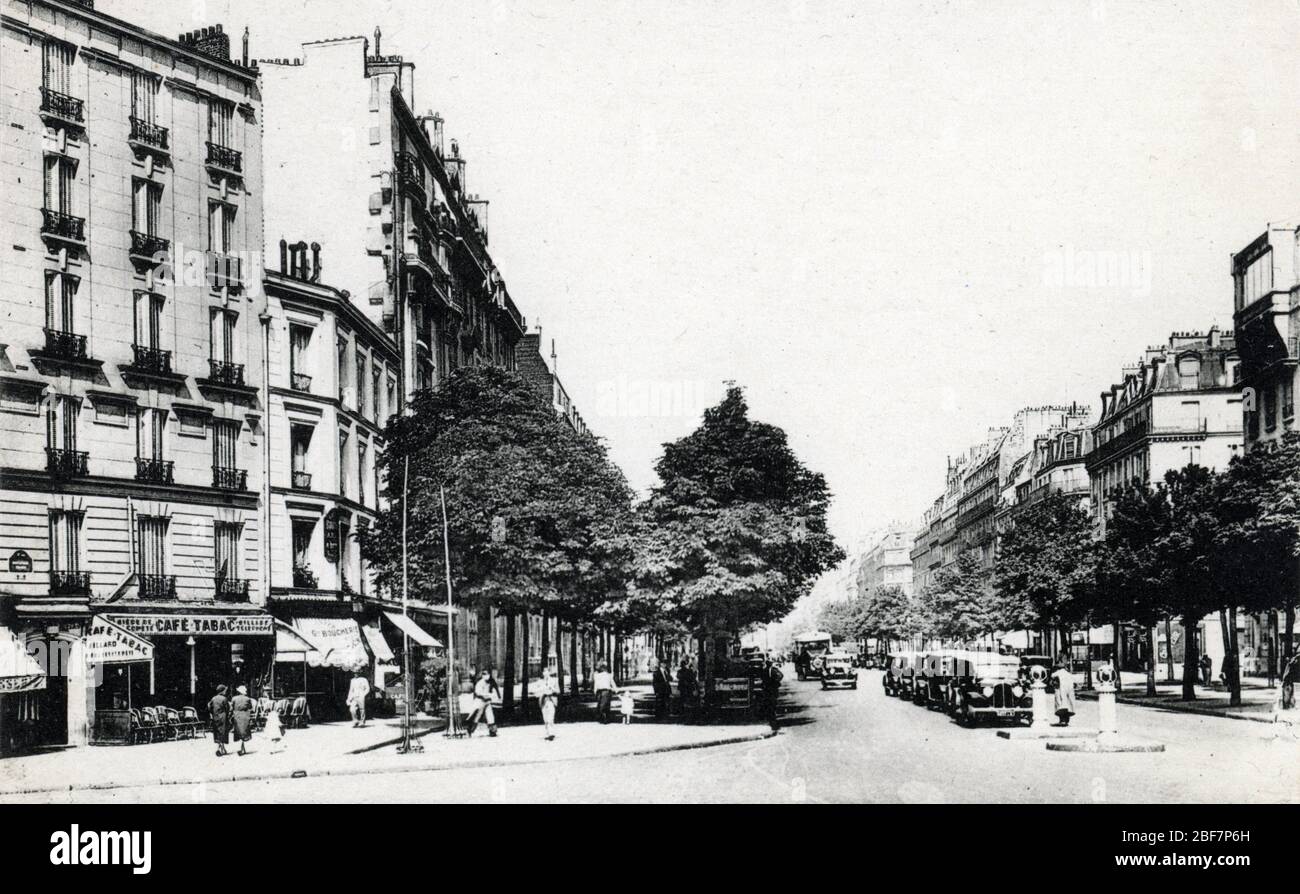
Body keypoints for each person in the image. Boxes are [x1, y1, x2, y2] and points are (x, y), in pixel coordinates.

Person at [467, 669, 498, 737]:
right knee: (476, 716)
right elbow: (478, 692)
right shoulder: (480, 683)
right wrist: (486, 695)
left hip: (487, 702)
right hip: (480, 702)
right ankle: (470, 730)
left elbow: (493, 691)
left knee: (490, 716)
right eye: (485, 674)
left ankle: (493, 731)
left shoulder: (490, 682)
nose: (487, 676)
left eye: (488, 674)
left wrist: (490, 695)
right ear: (482, 675)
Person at [207, 684, 231, 757]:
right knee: (223, 732)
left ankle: (222, 748)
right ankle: (219, 749)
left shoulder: (213, 698)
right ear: (222, 691)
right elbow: (228, 708)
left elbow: (209, 707)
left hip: (215, 717)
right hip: (223, 717)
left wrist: (213, 713)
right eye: (225, 690)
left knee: (217, 732)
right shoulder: (224, 699)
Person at [230, 684, 254, 756]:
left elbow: (231, 708)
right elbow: (250, 707)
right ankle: (242, 748)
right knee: (244, 731)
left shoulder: (234, 698)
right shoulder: (247, 699)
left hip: (237, 715)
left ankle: (241, 748)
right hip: (245, 715)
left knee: (238, 731)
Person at [760, 658, 784, 730]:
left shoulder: (764, 670)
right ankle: (773, 723)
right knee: (772, 706)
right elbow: (781, 675)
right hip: (772, 690)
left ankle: (770, 722)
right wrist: (776, 681)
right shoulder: (773, 670)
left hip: (766, 690)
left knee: (768, 706)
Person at [1051, 659, 1076, 726]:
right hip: (1068, 692)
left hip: (1060, 691)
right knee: (1068, 705)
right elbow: (1074, 683)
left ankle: (1062, 720)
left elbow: (1052, 678)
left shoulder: (1056, 674)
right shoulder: (1069, 674)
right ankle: (1066, 719)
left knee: (1061, 705)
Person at [538, 666, 560, 741]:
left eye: (547, 671)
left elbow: (558, 691)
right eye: (544, 672)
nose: (545, 673)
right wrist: (541, 692)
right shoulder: (540, 682)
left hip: (551, 699)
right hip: (544, 700)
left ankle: (551, 733)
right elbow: (537, 692)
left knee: (550, 718)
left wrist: (552, 688)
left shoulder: (554, 681)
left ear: (549, 672)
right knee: (545, 718)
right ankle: (547, 733)